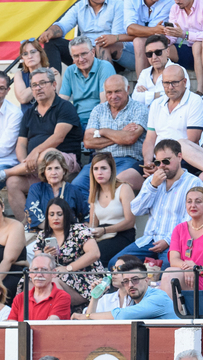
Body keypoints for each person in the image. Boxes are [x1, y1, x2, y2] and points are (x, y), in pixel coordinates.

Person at [0, 68, 83, 221]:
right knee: (13, 182)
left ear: (54, 84)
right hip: (36, 166)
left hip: (64, 161)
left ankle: (5, 173)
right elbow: (21, 144)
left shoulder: (65, 107)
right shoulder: (29, 113)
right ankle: (28, 225)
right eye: (34, 85)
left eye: (42, 83)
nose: (38, 88)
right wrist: (26, 162)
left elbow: (58, 137)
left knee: (47, 154)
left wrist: (35, 152)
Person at [116, 137, 201, 269]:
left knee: (168, 269)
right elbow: (136, 210)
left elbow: (191, 220)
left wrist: (168, 240)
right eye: (158, 162)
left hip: (176, 243)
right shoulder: (152, 180)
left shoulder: (194, 183)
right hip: (149, 241)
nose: (162, 166)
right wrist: (152, 186)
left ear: (179, 157)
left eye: (166, 161)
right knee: (116, 264)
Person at [73, 74, 148, 215]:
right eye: (109, 92)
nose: (113, 96)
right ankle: (86, 220)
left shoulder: (139, 109)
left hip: (127, 160)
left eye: (117, 91)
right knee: (77, 185)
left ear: (128, 89)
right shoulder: (98, 110)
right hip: (99, 160)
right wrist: (119, 134)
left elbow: (130, 138)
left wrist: (102, 132)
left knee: (112, 185)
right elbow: (88, 141)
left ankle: (103, 221)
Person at [141, 66, 203, 171]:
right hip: (157, 160)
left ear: (185, 82)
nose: (170, 87)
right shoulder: (156, 104)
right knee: (126, 177)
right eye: (166, 83)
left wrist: (162, 166)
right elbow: (149, 139)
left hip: (182, 160)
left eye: (174, 82)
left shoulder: (195, 101)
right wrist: (148, 163)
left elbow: (192, 141)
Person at [37, 0, 131, 70]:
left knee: (101, 45)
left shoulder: (117, 4)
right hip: (84, 52)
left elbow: (115, 38)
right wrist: (50, 32)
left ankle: (106, 87)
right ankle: (53, 85)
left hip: (108, 56)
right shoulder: (79, 6)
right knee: (52, 42)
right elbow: (62, 26)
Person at [86, 256, 179, 318]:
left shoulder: (158, 297)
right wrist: (95, 298)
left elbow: (123, 315)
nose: (130, 285)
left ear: (147, 280)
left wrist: (87, 316)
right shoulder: (134, 301)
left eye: (135, 279)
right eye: (126, 281)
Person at [87, 151, 137, 266]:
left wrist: (105, 230)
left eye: (104, 168)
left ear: (112, 170)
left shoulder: (124, 188)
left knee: (97, 256)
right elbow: (93, 224)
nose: (99, 172)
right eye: (96, 169)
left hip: (122, 234)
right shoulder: (94, 193)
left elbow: (130, 222)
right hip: (102, 235)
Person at [163, 0, 203, 95]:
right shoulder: (175, 8)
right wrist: (166, 38)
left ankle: (201, 90)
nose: (177, 1)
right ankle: (155, 87)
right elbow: (173, 36)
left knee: (197, 45)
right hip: (188, 48)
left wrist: (185, 35)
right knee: (163, 49)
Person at [58, 37, 115, 128]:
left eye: (84, 54)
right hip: (76, 121)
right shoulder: (70, 71)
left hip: (100, 120)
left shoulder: (105, 67)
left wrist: (90, 125)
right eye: (76, 56)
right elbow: (62, 101)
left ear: (93, 52)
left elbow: (104, 102)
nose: (80, 59)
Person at [10, 253, 79, 321]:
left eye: (44, 270)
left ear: (54, 273)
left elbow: (49, 326)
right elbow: (11, 325)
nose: (39, 274)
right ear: (30, 273)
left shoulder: (62, 297)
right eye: (36, 269)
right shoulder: (20, 298)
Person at [26, 149, 82, 231]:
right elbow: (33, 214)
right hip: (40, 233)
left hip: (69, 234)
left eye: (57, 168)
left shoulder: (74, 190)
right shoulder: (36, 189)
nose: (53, 172)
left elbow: (86, 215)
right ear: (44, 172)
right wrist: (56, 231)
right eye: (49, 169)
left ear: (64, 170)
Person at [123, 0, 178, 76]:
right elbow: (130, 29)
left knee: (140, 42)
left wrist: (139, 31)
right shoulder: (131, 1)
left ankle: (142, 84)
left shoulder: (169, 2)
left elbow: (155, 36)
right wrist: (153, 30)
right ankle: (142, 85)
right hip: (132, 49)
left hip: (166, 45)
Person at [11, 39, 61, 108]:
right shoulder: (19, 75)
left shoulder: (54, 73)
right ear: (22, 58)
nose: (29, 56)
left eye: (33, 52)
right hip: (28, 118)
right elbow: (23, 98)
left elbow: (53, 98)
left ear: (41, 53)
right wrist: (42, 81)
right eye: (25, 54)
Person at [134, 34, 174, 104]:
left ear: (167, 51)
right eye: (149, 54)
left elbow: (174, 96)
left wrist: (147, 94)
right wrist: (157, 94)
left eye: (158, 52)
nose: (154, 57)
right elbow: (135, 98)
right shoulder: (144, 73)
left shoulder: (178, 71)